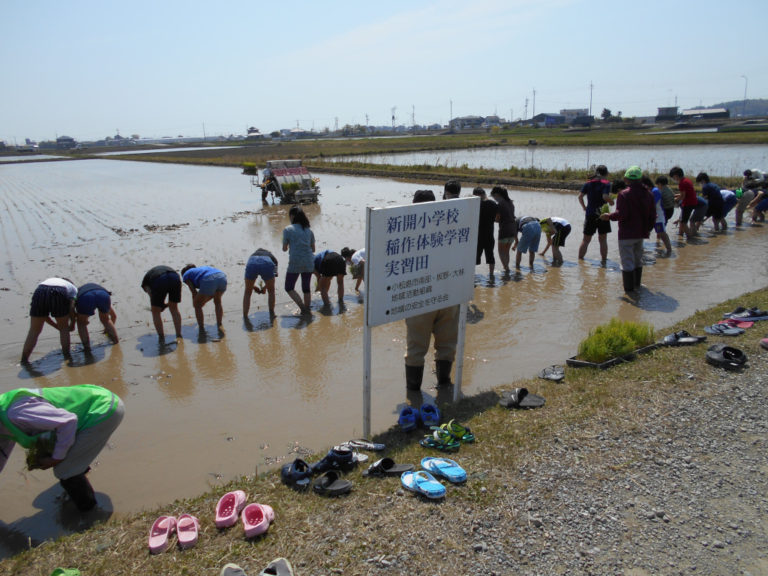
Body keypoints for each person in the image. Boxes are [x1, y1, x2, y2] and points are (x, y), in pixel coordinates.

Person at [0, 384, 124, 511]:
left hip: (103, 409)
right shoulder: (3, 420)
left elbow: (68, 421)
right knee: (66, 464)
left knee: (64, 471)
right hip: (86, 412)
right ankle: (78, 468)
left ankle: (90, 513)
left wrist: (56, 458)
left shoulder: (15, 413)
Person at [404, 189, 460, 391]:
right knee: (447, 344)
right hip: (449, 293)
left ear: (413, 205)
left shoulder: (407, 231)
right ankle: (444, 386)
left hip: (420, 295)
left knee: (416, 348)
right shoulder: (453, 225)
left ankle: (414, 392)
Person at [599, 166, 655, 293]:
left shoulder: (624, 195)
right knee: (638, 259)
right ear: (640, 179)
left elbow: (621, 214)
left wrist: (608, 216)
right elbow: (652, 215)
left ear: (626, 179)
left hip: (627, 233)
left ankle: (629, 292)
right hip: (641, 233)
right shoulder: (649, 194)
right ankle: (637, 286)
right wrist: (648, 229)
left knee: (627, 261)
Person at [21, 277, 77, 364]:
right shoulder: (73, 288)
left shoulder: (49, 280)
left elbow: (44, 316)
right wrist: (73, 323)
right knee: (64, 329)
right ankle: (67, 356)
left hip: (40, 290)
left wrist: (55, 326)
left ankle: (24, 360)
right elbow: (71, 307)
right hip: (59, 291)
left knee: (34, 331)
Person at [282, 206, 315, 316]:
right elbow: (313, 249)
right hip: (309, 261)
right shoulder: (309, 230)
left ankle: (302, 308)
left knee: (289, 287)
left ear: (292, 216)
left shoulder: (288, 229)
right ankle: (307, 309)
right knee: (306, 288)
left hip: (295, 261)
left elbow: (284, 248)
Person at [577, 165, 613, 263]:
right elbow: (605, 196)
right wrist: (611, 202)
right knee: (603, 240)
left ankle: (580, 261)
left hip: (590, 214)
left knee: (586, 240)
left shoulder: (588, 183)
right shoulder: (606, 183)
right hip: (603, 214)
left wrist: (584, 207)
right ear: (606, 174)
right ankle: (604, 261)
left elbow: (580, 197)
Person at [141, 265, 183, 343]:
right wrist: (163, 304)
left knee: (155, 312)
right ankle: (178, 334)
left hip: (159, 279)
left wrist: (158, 306)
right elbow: (169, 303)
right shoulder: (151, 274)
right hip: (174, 276)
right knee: (174, 308)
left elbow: (151, 294)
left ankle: (161, 337)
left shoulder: (145, 284)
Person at [181, 264, 228, 333]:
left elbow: (194, 292)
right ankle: (219, 323)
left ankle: (201, 328)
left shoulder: (186, 275)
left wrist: (196, 302)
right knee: (217, 302)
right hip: (222, 277)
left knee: (197, 305)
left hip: (208, 279)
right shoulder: (201, 269)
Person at [75, 283, 119, 353]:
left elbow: (77, 316)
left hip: (85, 297)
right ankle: (116, 341)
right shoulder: (99, 289)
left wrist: (84, 321)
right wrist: (107, 329)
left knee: (81, 323)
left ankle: (87, 347)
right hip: (103, 294)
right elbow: (114, 316)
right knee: (106, 320)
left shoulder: (76, 292)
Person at [243, 248, 278, 318]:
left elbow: (247, 281)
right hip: (266, 263)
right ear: (268, 252)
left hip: (252, 263)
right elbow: (274, 275)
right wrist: (265, 288)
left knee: (247, 292)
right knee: (271, 291)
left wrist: (253, 287)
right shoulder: (272, 257)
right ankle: (271, 313)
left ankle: (245, 316)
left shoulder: (252, 255)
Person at [473, 187, 498, 277]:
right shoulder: (493, 203)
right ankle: (491, 275)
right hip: (489, 234)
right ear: (484, 193)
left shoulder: (476, 205)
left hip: (478, 235)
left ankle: (473, 275)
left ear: (476, 195)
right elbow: (497, 218)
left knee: (475, 256)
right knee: (490, 255)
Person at [490, 186, 516, 273]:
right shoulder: (510, 203)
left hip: (505, 229)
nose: (494, 199)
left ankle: (506, 269)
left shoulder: (500, 204)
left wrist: (490, 218)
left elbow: (497, 219)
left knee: (501, 252)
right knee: (506, 251)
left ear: (497, 195)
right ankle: (506, 268)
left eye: (493, 196)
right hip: (513, 229)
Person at [644, 176, 672, 256]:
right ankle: (642, 250)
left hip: (658, 216)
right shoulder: (648, 191)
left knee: (662, 233)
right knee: (645, 231)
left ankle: (669, 250)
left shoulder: (655, 191)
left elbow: (651, 204)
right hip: (651, 216)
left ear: (646, 184)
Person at [669, 166, 697, 238]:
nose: (673, 179)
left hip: (688, 203)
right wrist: (675, 195)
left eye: (673, 177)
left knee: (683, 223)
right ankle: (681, 234)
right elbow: (684, 193)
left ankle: (690, 237)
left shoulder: (682, 183)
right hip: (692, 202)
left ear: (676, 176)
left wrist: (673, 200)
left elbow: (682, 196)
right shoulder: (687, 180)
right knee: (682, 221)